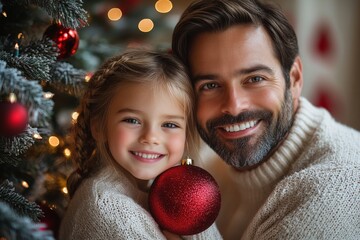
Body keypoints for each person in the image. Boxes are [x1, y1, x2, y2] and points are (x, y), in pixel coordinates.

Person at [172, 0, 360, 239]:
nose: (234, 105)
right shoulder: (212, 170)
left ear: (294, 78)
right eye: (210, 85)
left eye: (254, 79)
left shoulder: (337, 190)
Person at [59, 49, 222, 240]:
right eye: (132, 120)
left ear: (187, 135)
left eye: (170, 124)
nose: (150, 137)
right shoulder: (109, 210)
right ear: (99, 127)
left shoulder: (179, 192)